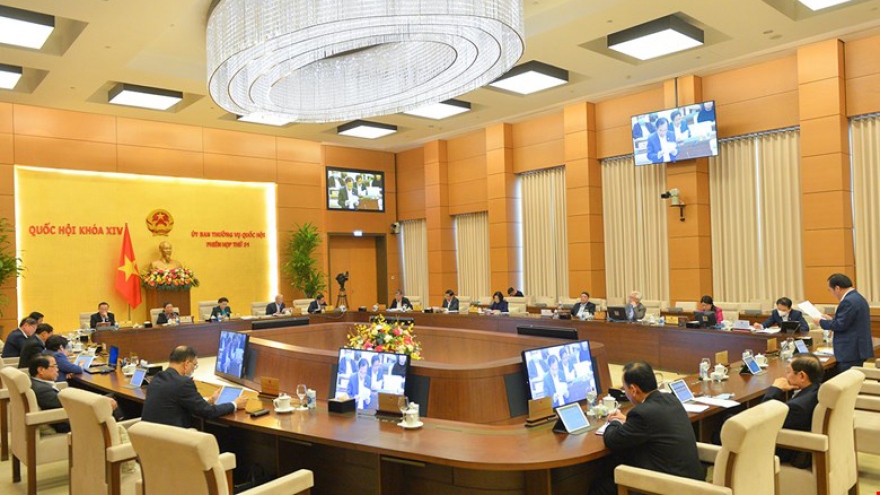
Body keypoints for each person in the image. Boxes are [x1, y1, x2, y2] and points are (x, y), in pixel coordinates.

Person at [590, 361, 704, 495]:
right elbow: (655, 424)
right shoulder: (670, 399)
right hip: (693, 483)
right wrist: (626, 421)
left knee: (600, 487)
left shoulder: (642, 414)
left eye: (624, 389)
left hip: (669, 487)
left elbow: (612, 440)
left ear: (633, 390)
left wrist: (614, 421)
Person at [142, 346, 247, 428]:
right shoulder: (183, 383)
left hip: (150, 440)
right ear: (186, 364)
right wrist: (235, 404)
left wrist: (210, 400)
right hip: (173, 440)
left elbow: (179, 400)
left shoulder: (156, 378)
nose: (194, 369)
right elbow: (208, 412)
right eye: (194, 365)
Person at [761, 353, 823, 466]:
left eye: (788, 371)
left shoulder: (797, 407)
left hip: (785, 451)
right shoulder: (817, 390)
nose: (786, 376)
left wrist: (775, 389)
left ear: (802, 376)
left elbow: (765, 419)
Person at [813, 273, 873, 373]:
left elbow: (840, 325)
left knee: (847, 379)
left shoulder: (848, 301)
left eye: (830, 290)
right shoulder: (858, 298)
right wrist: (831, 320)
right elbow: (849, 321)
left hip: (850, 351)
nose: (831, 293)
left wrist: (821, 322)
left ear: (837, 288)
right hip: (857, 349)